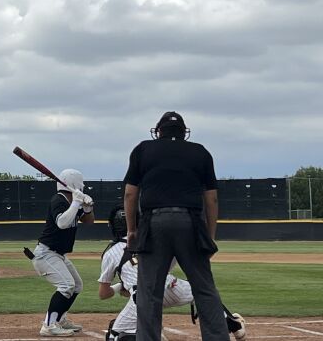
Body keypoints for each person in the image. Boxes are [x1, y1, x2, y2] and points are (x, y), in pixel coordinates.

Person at [124, 111, 230, 341]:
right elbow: (211, 199)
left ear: (158, 131)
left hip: (154, 222)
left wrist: (132, 230)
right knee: (204, 289)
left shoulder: (143, 149)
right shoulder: (200, 152)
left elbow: (130, 194)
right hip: (190, 221)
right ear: (184, 133)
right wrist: (209, 236)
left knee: (149, 292)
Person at [98, 206, 246, 341]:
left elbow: (104, 294)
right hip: (171, 286)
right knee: (199, 293)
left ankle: (152, 333)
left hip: (143, 295)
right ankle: (235, 326)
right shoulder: (155, 240)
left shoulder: (111, 252)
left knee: (114, 335)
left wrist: (121, 285)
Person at [31, 168, 95, 337]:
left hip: (58, 254)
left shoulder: (73, 200)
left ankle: (60, 318)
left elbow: (89, 221)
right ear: (75, 183)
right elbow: (62, 223)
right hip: (46, 254)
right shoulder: (58, 200)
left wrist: (87, 208)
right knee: (66, 285)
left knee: (77, 285)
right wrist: (76, 203)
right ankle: (49, 325)